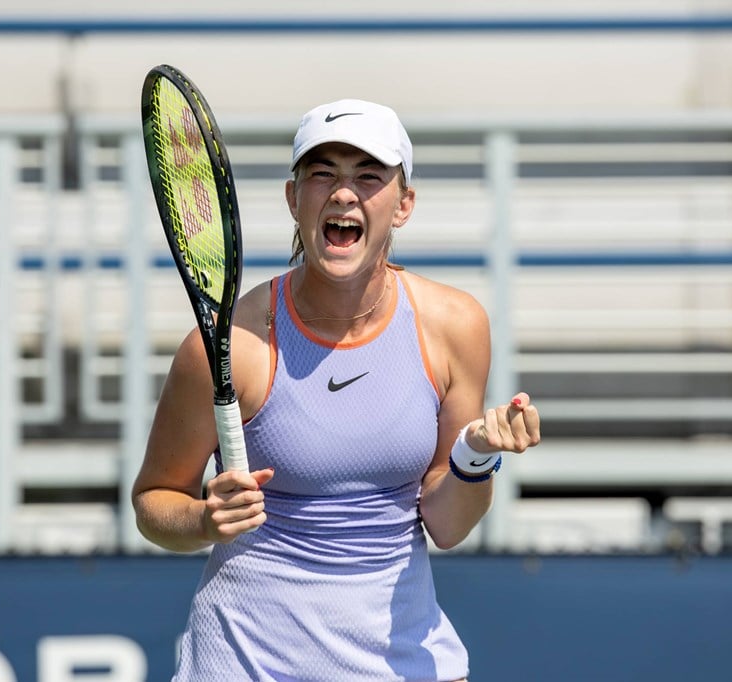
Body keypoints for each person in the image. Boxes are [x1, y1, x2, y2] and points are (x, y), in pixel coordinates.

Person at [132, 98, 542, 682]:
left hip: (402, 663)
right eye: (322, 172)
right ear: (293, 198)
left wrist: (475, 456)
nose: (344, 193)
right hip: (243, 664)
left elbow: (447, 525)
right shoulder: (228, 347)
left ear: (403, 205)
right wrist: (203, 519)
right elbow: (154, 501)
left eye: (368, 175)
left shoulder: (456, 326)